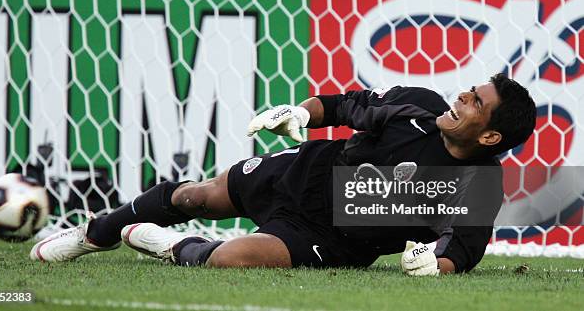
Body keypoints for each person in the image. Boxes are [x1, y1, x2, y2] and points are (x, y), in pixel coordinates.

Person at [30, 73, 536, 275]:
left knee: (233, 261)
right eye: (470, 91)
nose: (462, 97)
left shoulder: (478, 185)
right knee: (196, 197)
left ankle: (172, 247)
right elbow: (347, 105)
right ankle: (96, 234)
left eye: (476, 103)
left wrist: (435, 266)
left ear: (489, 137)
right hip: (306, 172)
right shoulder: (418, 106)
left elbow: (464, 250)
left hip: (335, 239)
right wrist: (301, 113)